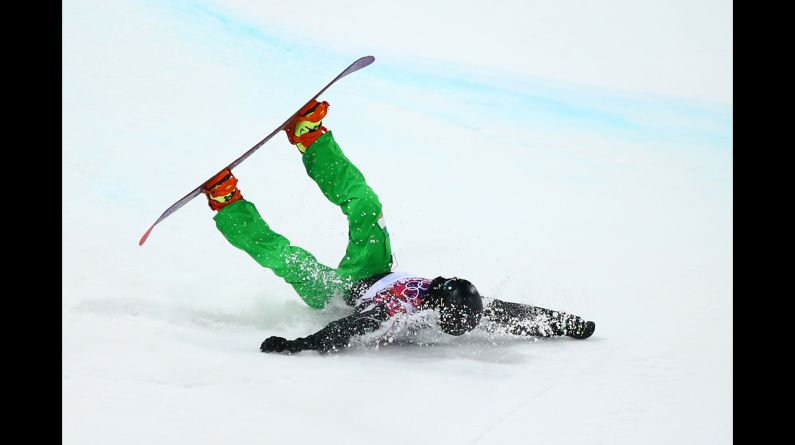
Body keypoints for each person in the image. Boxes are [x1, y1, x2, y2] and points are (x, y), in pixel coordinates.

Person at [202, 99, 596, 354]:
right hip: (374, 268)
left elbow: (348, 329)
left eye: (440, 286)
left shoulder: (396, 312)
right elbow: (514, 315)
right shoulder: (457, 301)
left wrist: (299, 344)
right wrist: (567, 323)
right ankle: (310, 137)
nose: (436, 278)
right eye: (445, 279)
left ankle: (227, 202)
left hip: (337, 295)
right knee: (368, 207)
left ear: (438, 306)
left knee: (292, 260)